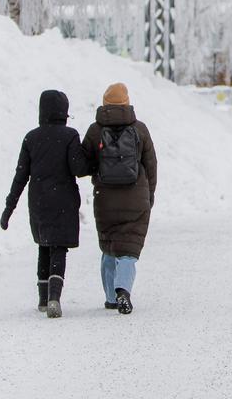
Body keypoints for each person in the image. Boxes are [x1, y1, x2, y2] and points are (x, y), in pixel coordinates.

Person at [0, 90, 89, 318]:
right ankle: (54, 298)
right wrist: (92, 160)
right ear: (64, 112)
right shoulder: (70, 135)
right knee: (59, 247)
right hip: (64, 200)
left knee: (44, 244)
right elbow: (78, 169)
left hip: (38, 201)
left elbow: (20, 176)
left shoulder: (31, 138)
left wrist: (8, 209)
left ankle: (42, 299)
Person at [82, 82, 157, 315]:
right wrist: (149, 193)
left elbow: (84, 164)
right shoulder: (140, 129)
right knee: (128, 249)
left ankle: (110, 298)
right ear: (127, 102)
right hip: (136, 198)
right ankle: (123, 289)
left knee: (109, 246)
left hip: (105, 198)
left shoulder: (95, 131)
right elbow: (151, 165)